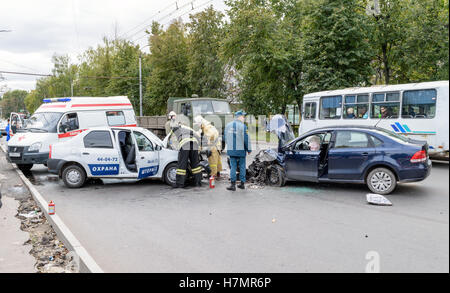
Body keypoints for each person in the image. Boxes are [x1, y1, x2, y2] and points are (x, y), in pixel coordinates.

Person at [169, 122, 202, 188]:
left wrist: (174, 147)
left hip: (185, 144)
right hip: (194, 143)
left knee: (182, 164)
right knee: (195, 165)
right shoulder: (188, 128)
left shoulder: (174, 129)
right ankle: (198, 182)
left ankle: (180, 183)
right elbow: (198, 137)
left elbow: (171, 141)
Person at [225, 110, 251, 191]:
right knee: (242, 166)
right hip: (241, 150)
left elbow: (225, 137)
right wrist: (248, 149)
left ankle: (233, 185)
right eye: (243, 116)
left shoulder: (228, 125)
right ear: (239, 117)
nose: (244, 118)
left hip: (231, 149)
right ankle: (242, 184)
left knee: (233, 167)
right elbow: (246, 139)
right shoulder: (243, 126)